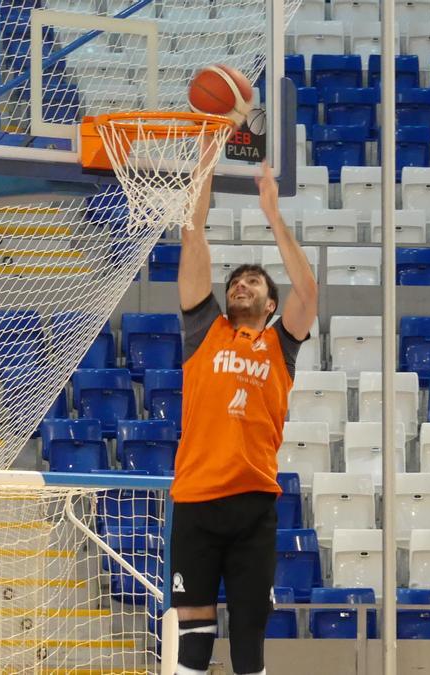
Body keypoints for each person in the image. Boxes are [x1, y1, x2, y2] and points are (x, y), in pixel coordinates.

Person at [168, 159, 318, 675]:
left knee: (249, 635)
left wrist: (272, 215)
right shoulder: (203, 331)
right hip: (195, 500)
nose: (242, 285)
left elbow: (309, 293)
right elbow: (192, 235)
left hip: (254, 502)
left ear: (270, 302)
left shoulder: (281, 344)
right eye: (237, 281)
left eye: (254, 281)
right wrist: (206, 161)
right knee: (193, 640)